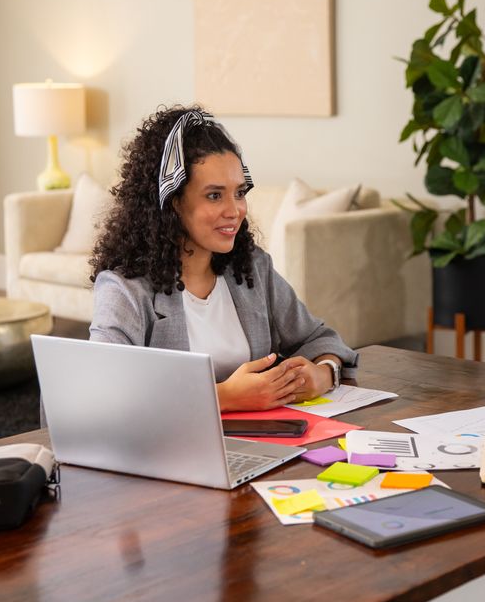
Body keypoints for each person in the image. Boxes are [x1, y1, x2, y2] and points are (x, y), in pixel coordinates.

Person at [89, 105, 357, 411]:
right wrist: (224, 398)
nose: (235, 211)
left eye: (239, 192)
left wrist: (324, 374)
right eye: (215, 195)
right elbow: (106, 391)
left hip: (267, 442)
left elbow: (320, 337)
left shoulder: (251, 268)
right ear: (174, 201)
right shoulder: (125, 289)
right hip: (174, 452)